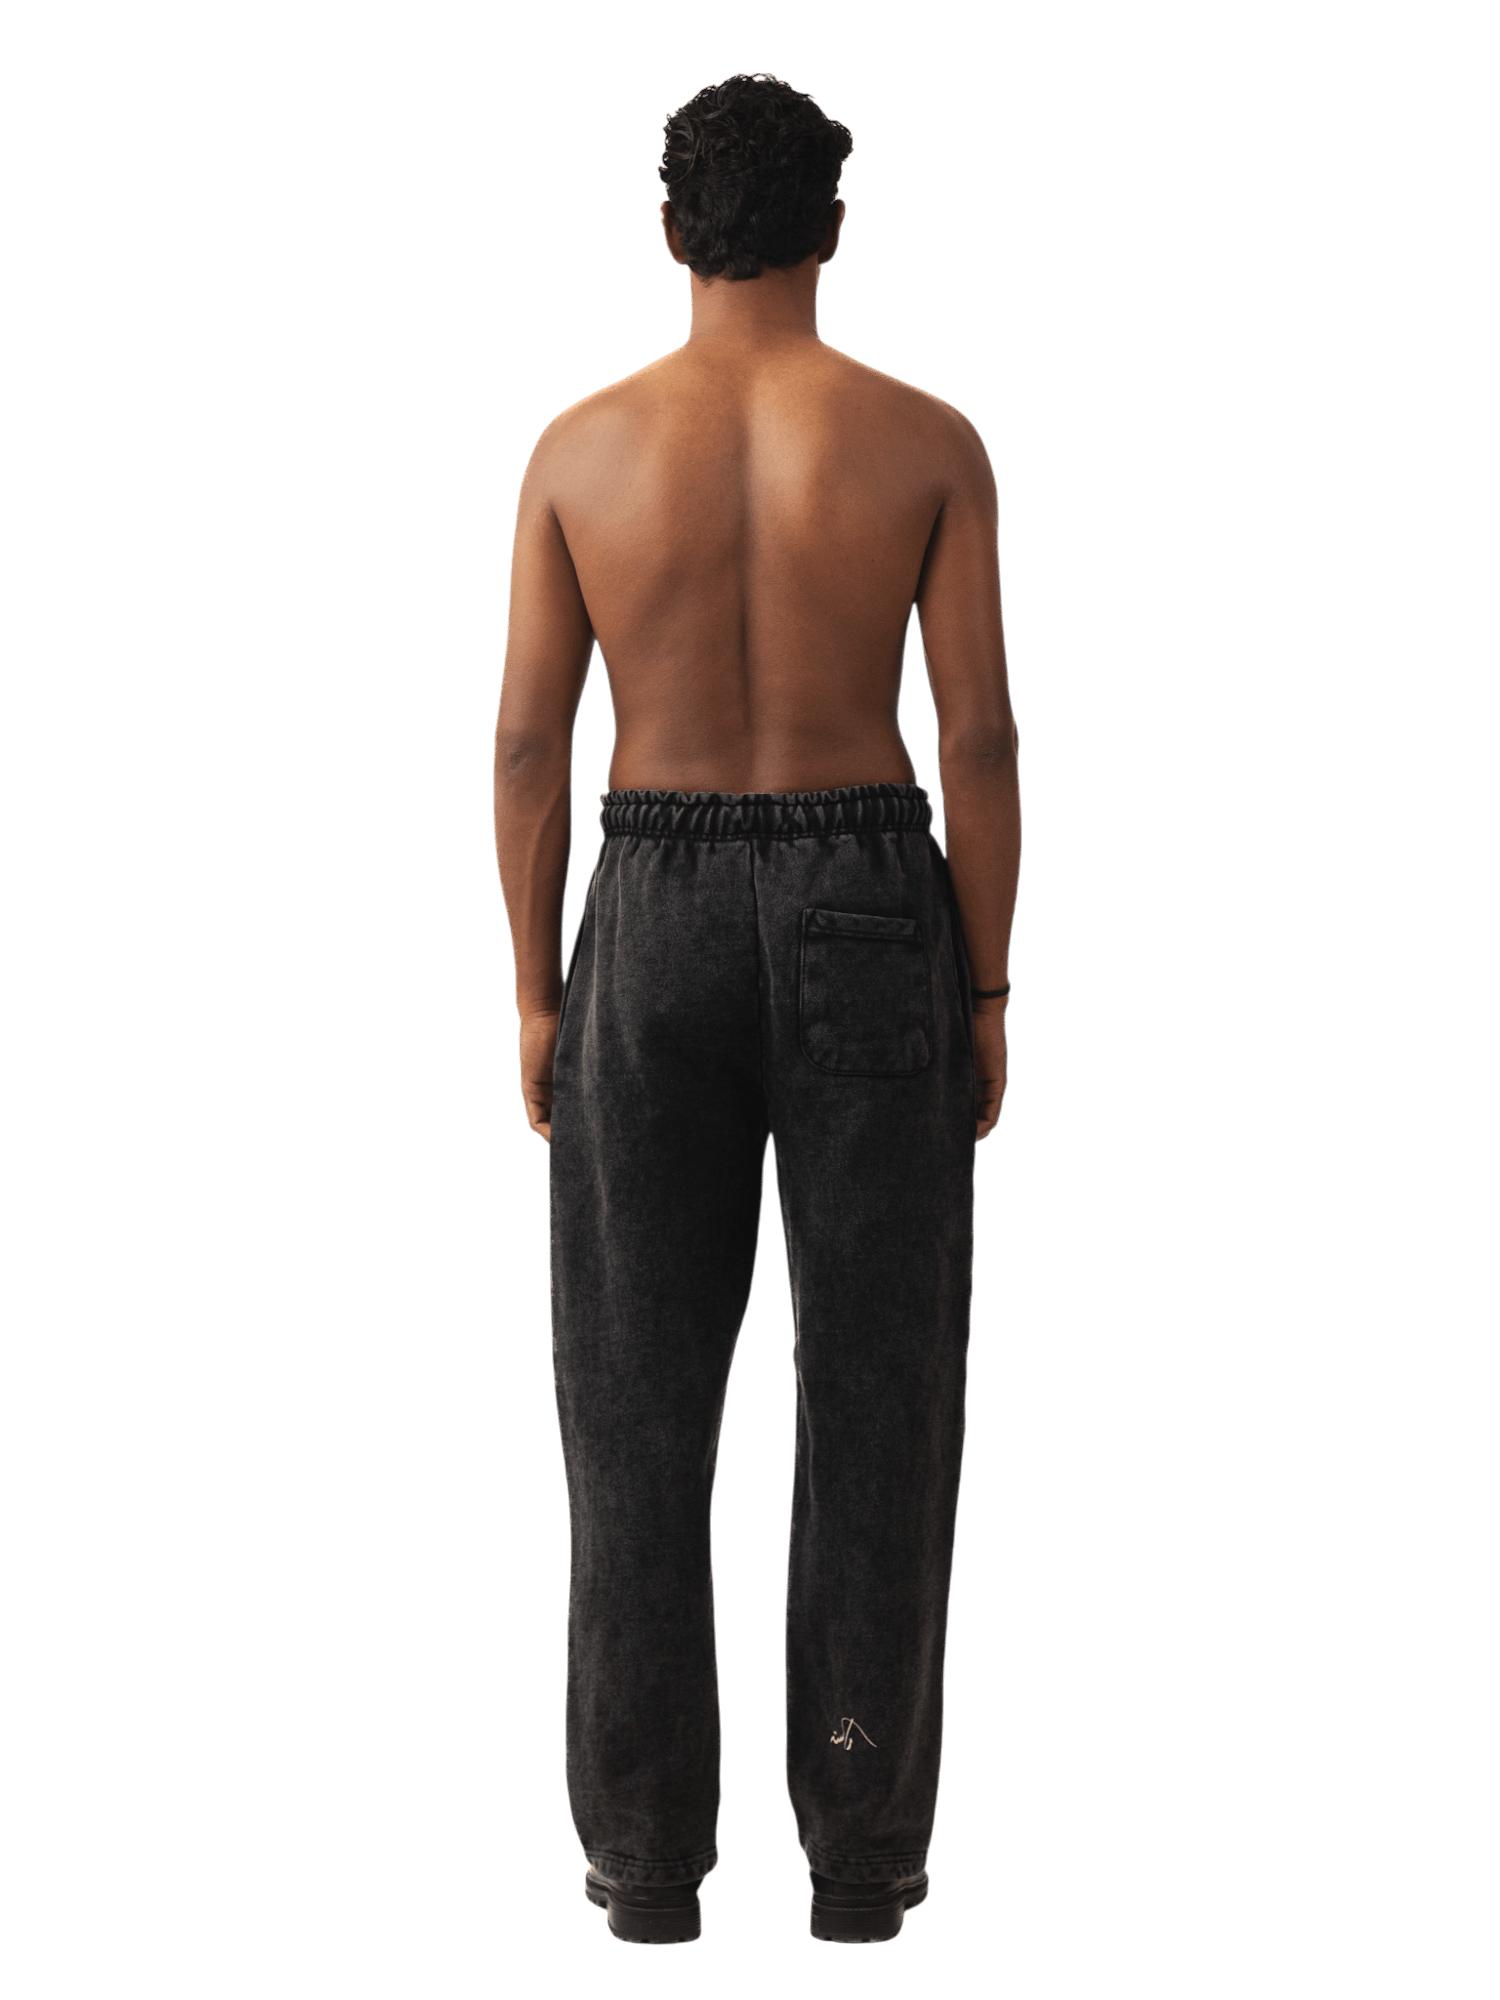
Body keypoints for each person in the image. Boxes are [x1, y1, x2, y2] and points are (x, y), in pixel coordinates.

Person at [493, 72, 1021, 1947]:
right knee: (879, 1400)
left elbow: (531, 746)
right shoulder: (923, 438)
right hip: (873, 886)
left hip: (647, 901)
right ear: (833, 231)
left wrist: (539, 994)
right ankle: (861, 1870)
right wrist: (987, 985)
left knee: (631, 1412)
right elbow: (980, 736)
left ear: (670, 231)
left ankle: (645, 1872)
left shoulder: (579, 449)